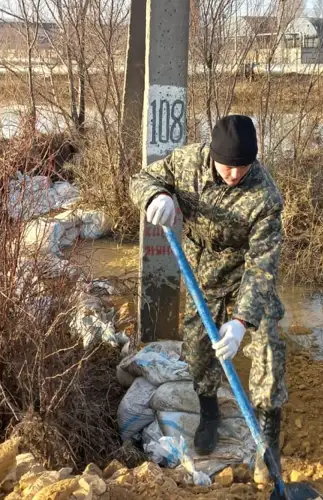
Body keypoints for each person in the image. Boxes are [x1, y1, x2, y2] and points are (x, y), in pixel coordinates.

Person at [130, 115, 287, 483]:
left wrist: (241, 322)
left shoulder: (265, 196)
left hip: (247, 271)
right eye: (227, 166)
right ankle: (210, 412)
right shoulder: (187, 163)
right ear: (212, 155)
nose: (234, 174)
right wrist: (157, 196)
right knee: (200, 349)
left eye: (242, 167)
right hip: (203, 267)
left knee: (268, 350)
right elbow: (142, 179)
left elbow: (263, 266)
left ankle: (269, 439)